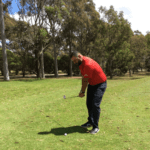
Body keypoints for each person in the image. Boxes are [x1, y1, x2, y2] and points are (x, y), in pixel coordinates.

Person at [70, 51, 107, 134]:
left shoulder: (88, 64)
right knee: (89, 104)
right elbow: (84, 77)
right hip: (92, 84)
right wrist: (82, 90)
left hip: (100, 84)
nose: (74, 62)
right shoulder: (81, 64)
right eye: (73, 61)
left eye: (75, 60)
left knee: (95, 104)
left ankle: (95, 127)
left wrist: (82, 91)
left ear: (79, 56)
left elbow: (85, 80)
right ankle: (90, 121)